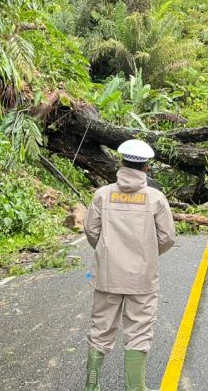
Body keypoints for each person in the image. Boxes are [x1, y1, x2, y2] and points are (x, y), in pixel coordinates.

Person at [83, 139, 176, 391]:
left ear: (121, 163)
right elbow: (167, 237)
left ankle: (92, 385)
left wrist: (107, 252)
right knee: (139, 330)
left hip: (107, 274)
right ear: (147, 167)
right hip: (142, 278)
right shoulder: (155, 199)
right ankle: (135, 387)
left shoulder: (102, 194)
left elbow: (91, 230)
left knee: (100, 327)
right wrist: (147, 255)